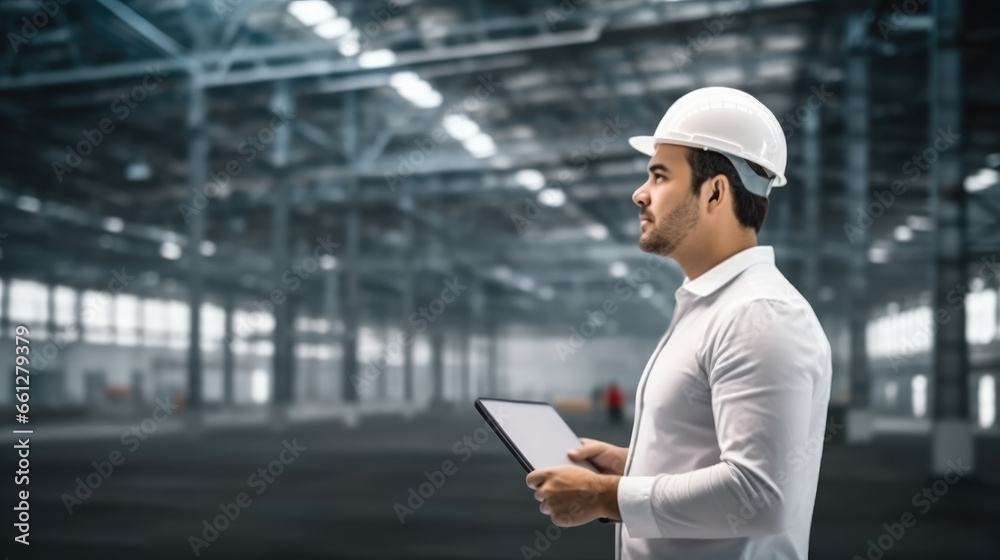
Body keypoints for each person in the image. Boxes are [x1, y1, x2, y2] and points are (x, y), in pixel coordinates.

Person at [525, 87, 833, 560]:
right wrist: (632, 468)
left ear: (715, 192)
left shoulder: (760, 315)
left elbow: (759, 494)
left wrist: (604, 497)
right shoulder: (714, 306)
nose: (640, 193)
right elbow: (719, 461)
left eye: (660, 175)